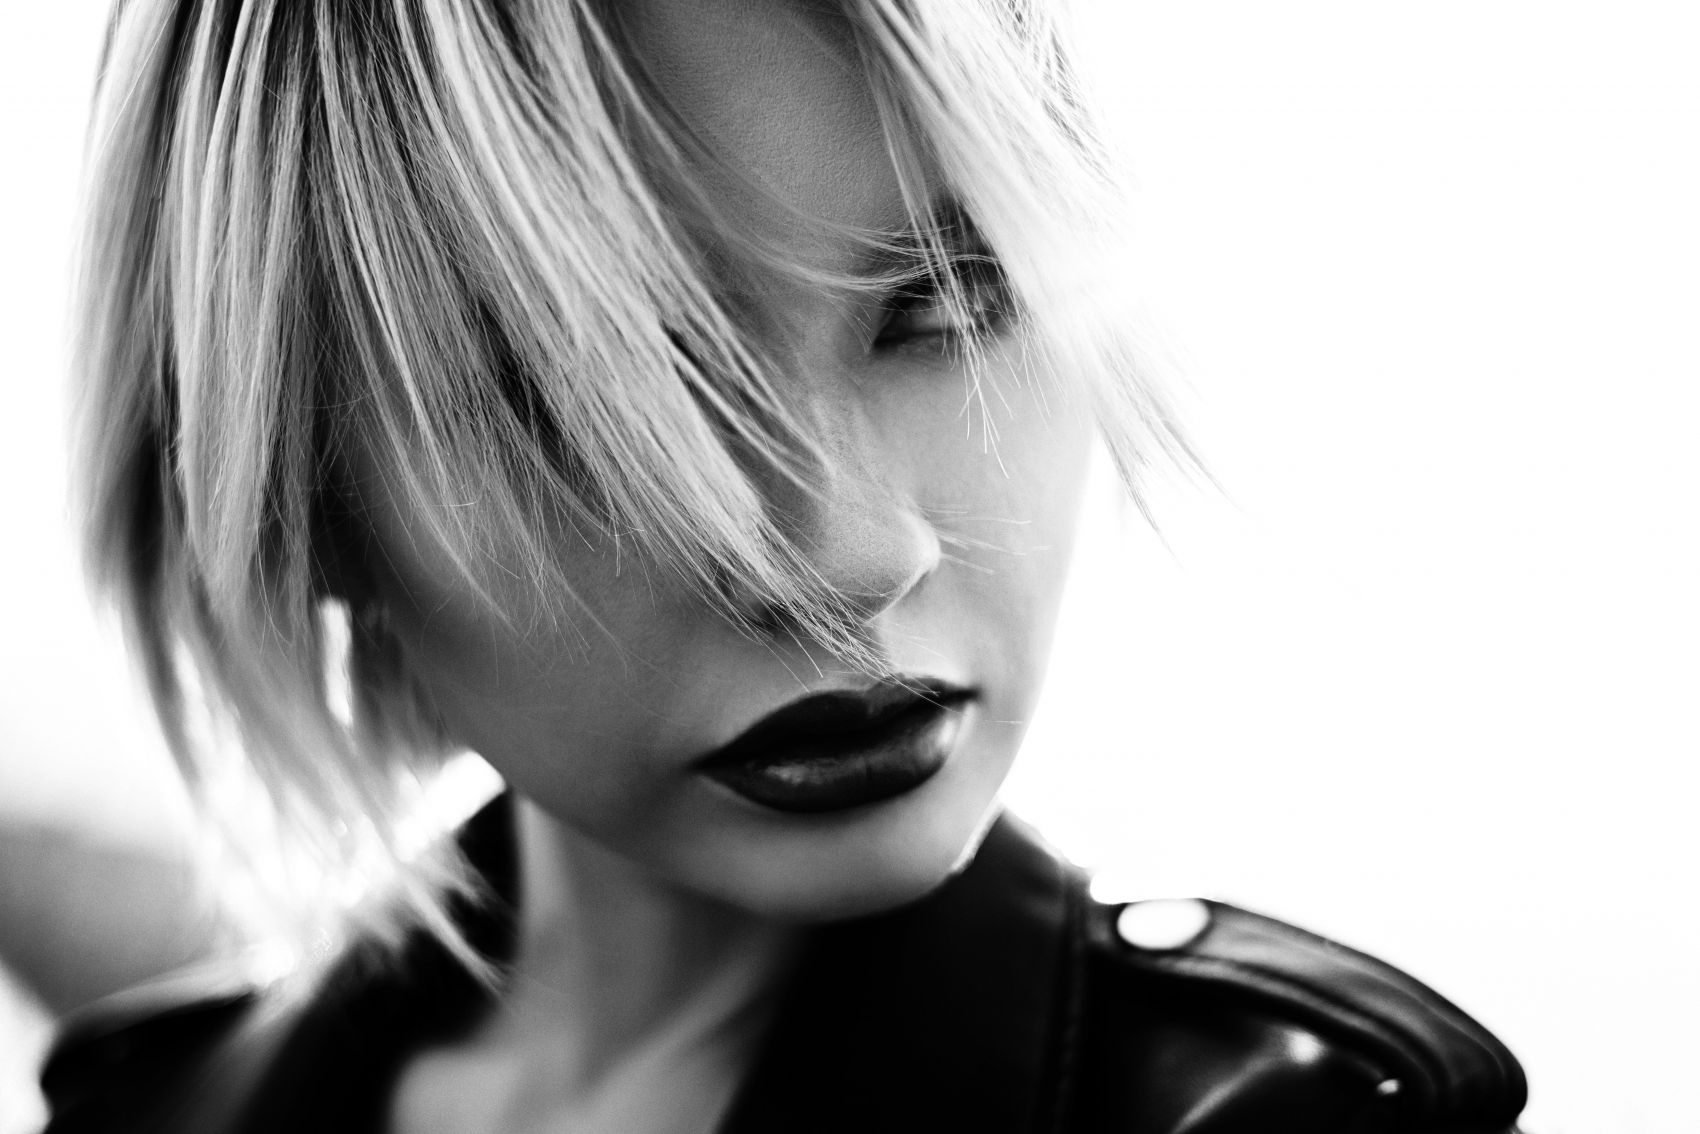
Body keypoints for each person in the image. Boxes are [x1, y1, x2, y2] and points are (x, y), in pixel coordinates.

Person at [41, 0, 1527, 1131]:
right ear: (300, 498)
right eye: (593, 396)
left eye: (950, 301)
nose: (851, 557)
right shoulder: (149, 1107)